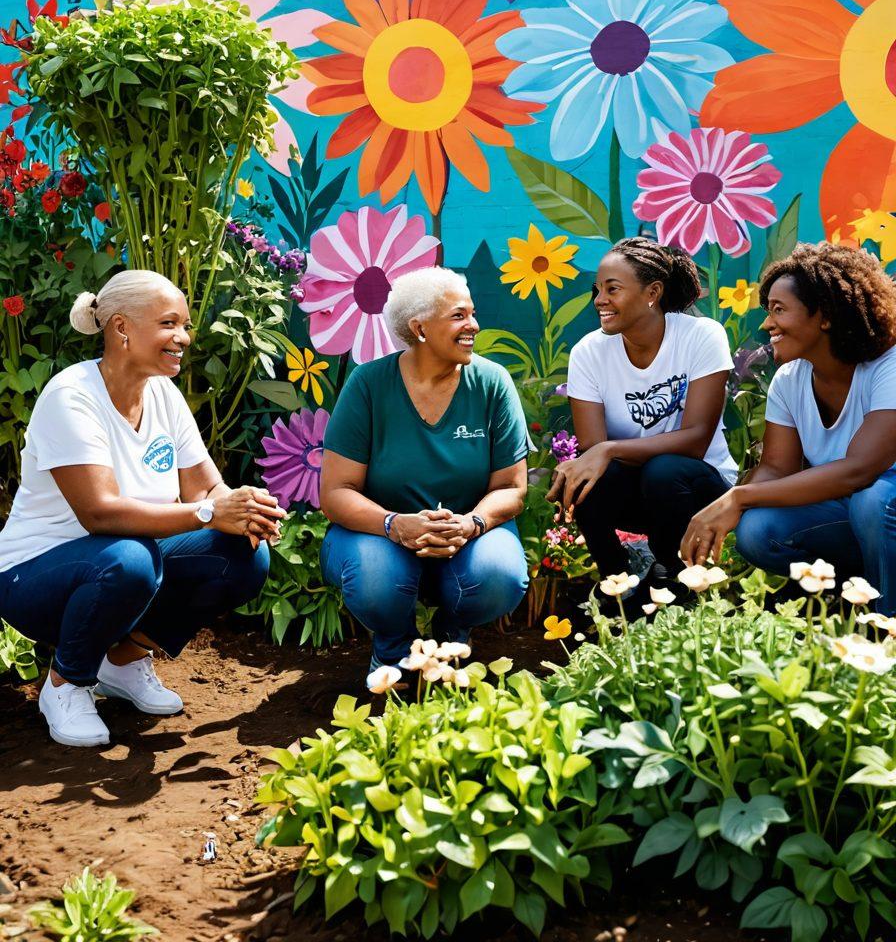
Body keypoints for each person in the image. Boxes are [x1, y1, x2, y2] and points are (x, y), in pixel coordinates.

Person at [0, 270, 284, 748]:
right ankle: (66, 684)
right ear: (121, 328)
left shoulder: (162, 393)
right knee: (131, 559)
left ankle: (123, 662)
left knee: (243, 554)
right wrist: (210, 513)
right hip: (33, 577)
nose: (184, 337)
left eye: (185, 325)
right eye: (169, 324)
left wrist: (244, 509)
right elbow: (101, 514)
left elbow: (205, 487)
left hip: (122, 564)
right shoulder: (72, 397)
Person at [319, 267, 529, 680]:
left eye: (472, 313)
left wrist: (470, 524)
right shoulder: (368, 384)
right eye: (458, 316)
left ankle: (452, 643)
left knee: (498, 575)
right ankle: (393, 652)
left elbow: (511, 488)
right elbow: (337, 491)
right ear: (419, 328)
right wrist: (395, 524)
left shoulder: (492, 382)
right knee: (376, 578)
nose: (473, 325)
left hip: (467, 536)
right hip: (378, 535)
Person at [680, 243, 896, 613]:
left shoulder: (887, 366)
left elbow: (860, 470)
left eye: (779, 309)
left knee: (872, 501)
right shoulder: (789, 380)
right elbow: (777, 469)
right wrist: (727, 508)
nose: (767, 324)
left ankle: (886, 622)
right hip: (858, 515)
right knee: (758, 530)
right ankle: (848, 600)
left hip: (881, 505)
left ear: (824, 316)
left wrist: (739, 497)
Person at [548, 237, 736, 610]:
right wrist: (592, 459)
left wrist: (610, 449)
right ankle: (617, 585)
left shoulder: (701, 336)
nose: (599, 300)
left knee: (664, 470)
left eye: (612, 289)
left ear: (652, 292)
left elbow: (696, 440)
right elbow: (593, 453)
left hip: (698, 490)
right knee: (584, 477)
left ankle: (672, 578)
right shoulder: (589, 353)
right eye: (597, 289)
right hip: (639, 494)